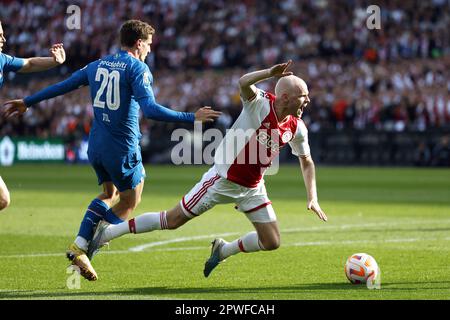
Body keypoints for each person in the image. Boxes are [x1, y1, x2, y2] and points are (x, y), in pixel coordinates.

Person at [2, 20, 221, 281]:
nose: (150, 50)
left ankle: (82, 247)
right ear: (139, 43)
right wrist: (191, 117)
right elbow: (150, 111)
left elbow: (64, 85)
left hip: (95, 145)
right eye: (149, 45)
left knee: (110, 193)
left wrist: (28, 101)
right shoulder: (138, 68)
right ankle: (84, 246)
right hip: (122, 146)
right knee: (131, 200)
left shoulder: (97, 64)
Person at [87, 60, 328, 279]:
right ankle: (106, 233)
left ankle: (224, 249)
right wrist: (268, 73)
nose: (307, 100)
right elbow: (243, 82)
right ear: (285, 97)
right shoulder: (260, 104)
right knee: (172, 220)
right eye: (303, 96)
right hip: (221, 180)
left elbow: (306, 161)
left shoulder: (298, 127)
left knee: (272, 241)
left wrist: (313, 198)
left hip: (253, 189)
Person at [0, 20, 66, 211]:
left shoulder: (2, 60)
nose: (4, 38)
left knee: (3, 199)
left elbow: (29, 64)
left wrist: (54, 61)